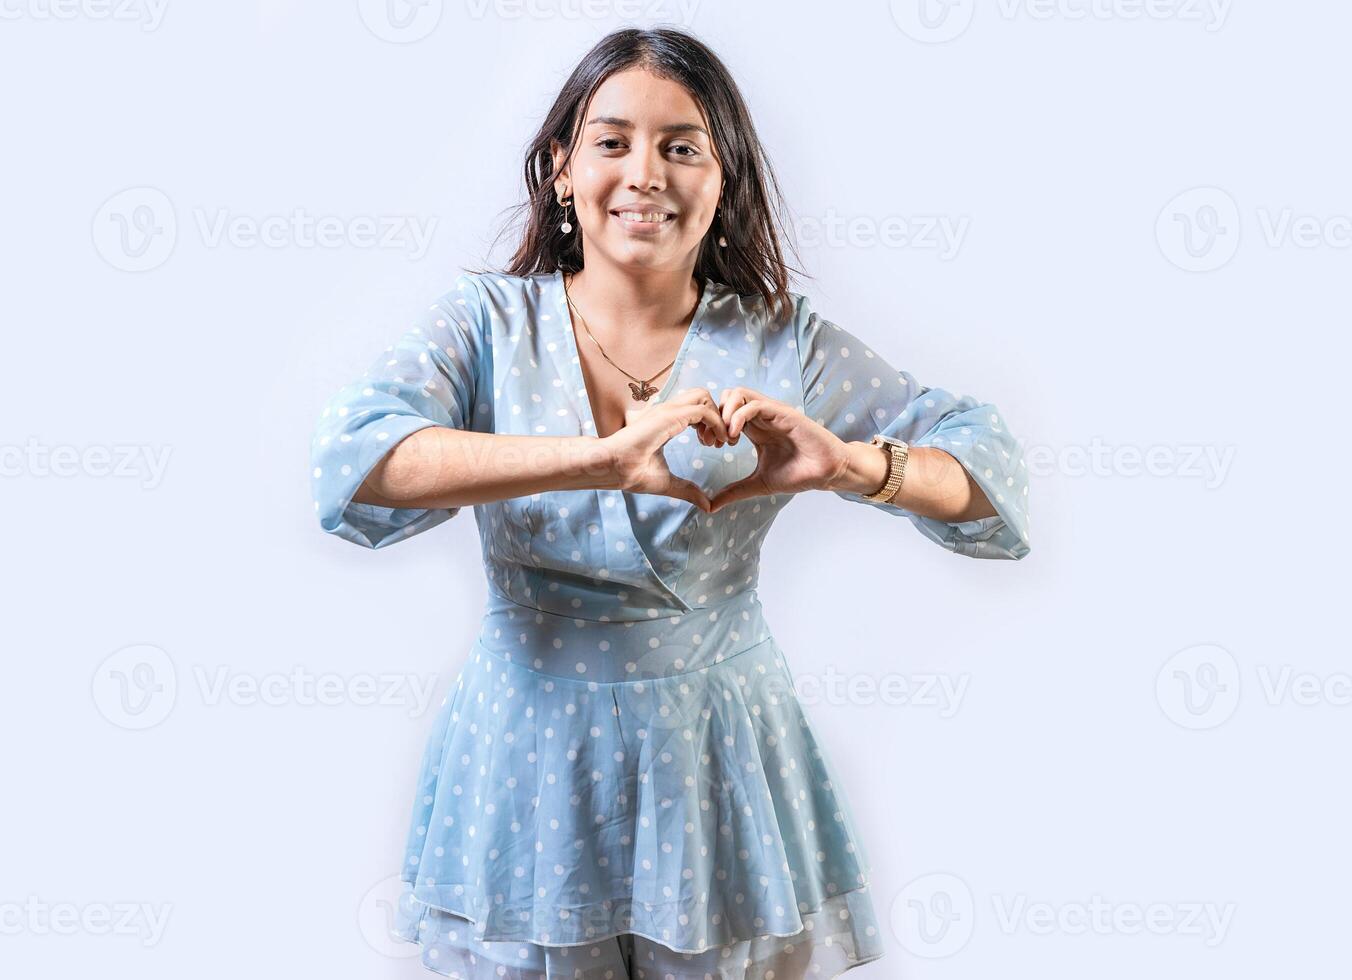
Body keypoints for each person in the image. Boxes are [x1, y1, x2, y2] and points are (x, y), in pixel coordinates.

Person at [308, 26, 1030, 980]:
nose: (644, 173)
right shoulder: (485, 323)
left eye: (681, 146)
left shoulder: (785, 341)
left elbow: (986, 461)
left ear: (722, 181)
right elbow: (354, 462)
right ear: (562, 169)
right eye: (612, 142)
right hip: (528, 753)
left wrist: (855, 465)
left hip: (717, 753)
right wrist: (598, 459)